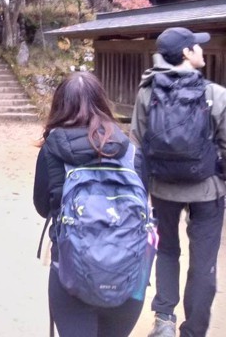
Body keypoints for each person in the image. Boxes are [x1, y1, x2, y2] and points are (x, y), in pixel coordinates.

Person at [33, 71, 148, 337]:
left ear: (59, 105)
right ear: (102, 101)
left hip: (71, 273)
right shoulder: (130, 150)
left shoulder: (52, 150)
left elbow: (41, 206)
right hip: (127, 274)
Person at [131, 27, 226, 337]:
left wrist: (143, 189)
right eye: (196, 46)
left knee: (167, 250)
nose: (201, 50)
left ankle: (164, 320)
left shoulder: (147, 92)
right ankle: (193, 330)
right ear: (186, 53)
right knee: (203, 262)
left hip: (162, 187)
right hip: (207, 190)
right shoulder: (215, 95)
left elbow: (139, 143)